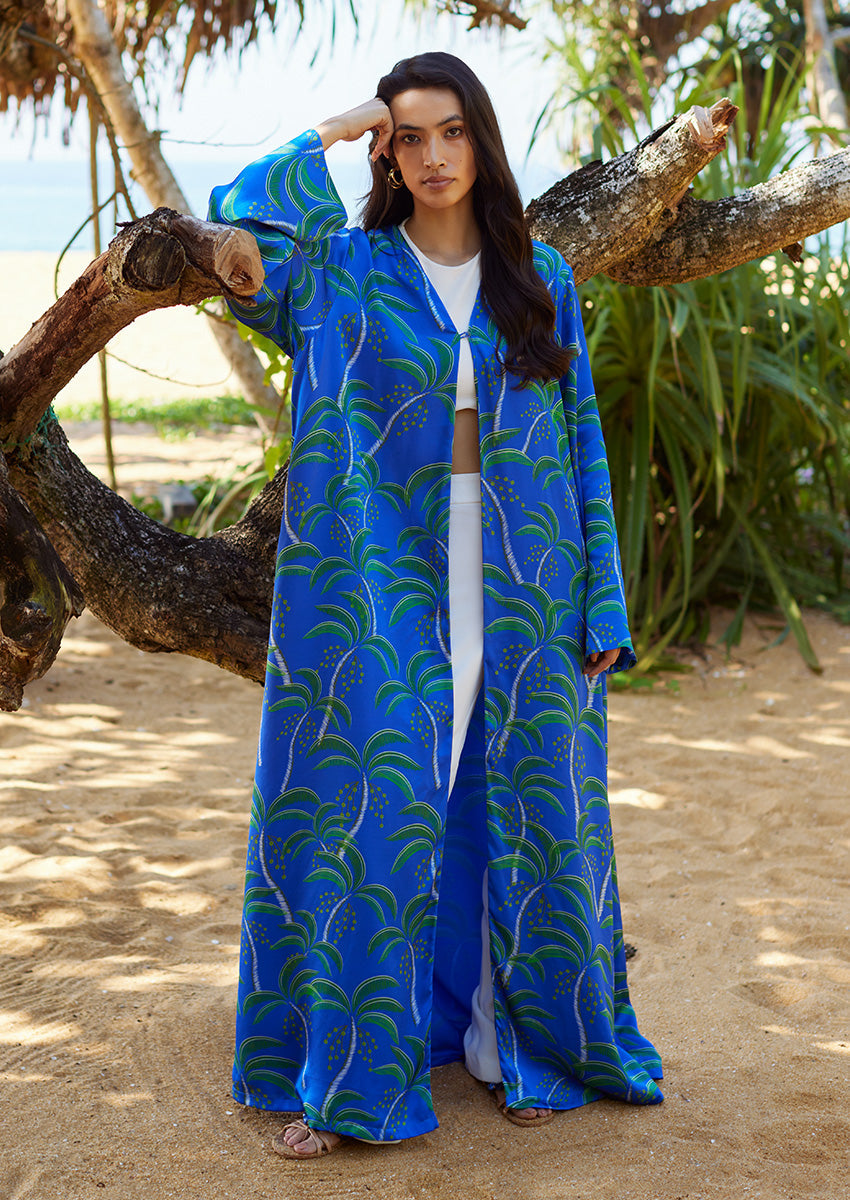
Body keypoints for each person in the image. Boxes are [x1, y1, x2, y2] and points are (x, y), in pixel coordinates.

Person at [208, 51, 663, 1160]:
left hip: (529, 577)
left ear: (482, 141)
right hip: (378, 577)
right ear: (386, 155)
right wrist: (344, 120)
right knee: (376, 802)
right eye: (408, 137)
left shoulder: (538, 275)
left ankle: (521, 1053)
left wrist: (602, 602)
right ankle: (347, 1075)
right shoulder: (344, 270)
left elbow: (582, 440)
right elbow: (246, 217)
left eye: (451, 130)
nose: (432, 155)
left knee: (527, 805)